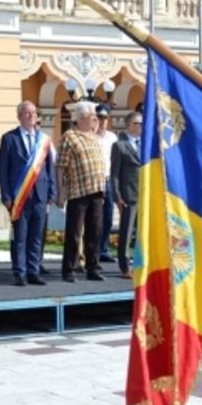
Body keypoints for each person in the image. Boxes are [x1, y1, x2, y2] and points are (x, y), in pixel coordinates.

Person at [0, 100, 56, 286]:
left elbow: (49, 168)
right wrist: (6, 195)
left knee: (36, 236)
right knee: (20, 237)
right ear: (19, 116)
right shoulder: (9, 138)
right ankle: (19, 272)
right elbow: (3, 170)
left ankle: (34, 271)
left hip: (40, 195)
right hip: (19, 197)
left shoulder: (43, 140)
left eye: (34, 113)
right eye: (27, 112)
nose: (31, 116)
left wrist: (52, 191)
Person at [57, 101, 106, 283]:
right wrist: (61, 192)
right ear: (82, 118)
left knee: (95, 232)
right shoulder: (69, 137)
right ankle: (69, 269)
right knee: (75, 233)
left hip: (97, 190)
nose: (96, 119)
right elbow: (60, 166)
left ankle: (93, 268)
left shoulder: (95, 136)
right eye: (93, 116)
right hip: (78, 191)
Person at [111, 111, 142, 279]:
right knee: (126, 232)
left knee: (142, 233)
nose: (141, 126)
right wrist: (117, 196)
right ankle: (125, 266)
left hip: (145, 195)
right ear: (129, 125)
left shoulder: (146, 144)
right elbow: (115, 173)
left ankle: (140, 265)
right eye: (137, 123)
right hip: (129, 195)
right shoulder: (120, 146)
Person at [95, 103, 118, 263]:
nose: (103, 121)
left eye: (105, 118)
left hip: (109, 180)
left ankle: (103, 249)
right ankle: (92, 250)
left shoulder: (112, 137)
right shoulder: (90, 136)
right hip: (94, 180)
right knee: (94, 216)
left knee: (108, 217)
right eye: (100, 118)